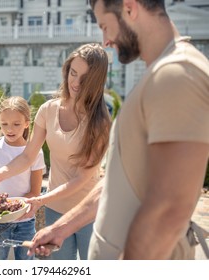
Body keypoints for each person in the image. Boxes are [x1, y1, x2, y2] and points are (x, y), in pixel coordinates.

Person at [28, 0, 209, 260]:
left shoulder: (177, 75)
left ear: (129, 7)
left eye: (105, 25)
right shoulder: (161, 75)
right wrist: (61, 227)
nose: (106, 41)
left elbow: (170, 208)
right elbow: (119, 181)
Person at [0, 43, 112, 260]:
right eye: (73, 73)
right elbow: (28, 155)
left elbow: (82, 178)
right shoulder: (48, 110)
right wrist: (2, 173)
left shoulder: (100, 123)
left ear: (96, 81)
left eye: (84, 78)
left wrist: (40, 199)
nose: (75, 83)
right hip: (56, 209)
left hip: (90, 212)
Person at [0, 96, 45, 260]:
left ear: (27, 123)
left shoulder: (35, 153)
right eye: (4, 124)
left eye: (16, 124)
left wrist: (14, 209)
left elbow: (35, 191)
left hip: (25, 221)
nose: (10, 129)